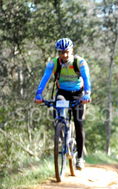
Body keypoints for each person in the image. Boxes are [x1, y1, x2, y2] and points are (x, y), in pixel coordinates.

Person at [34, 38, 91, 170]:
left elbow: (87, 78)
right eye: (61, 52)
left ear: (71, 51)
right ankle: (60, 132)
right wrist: (38, 94)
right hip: (63, 92)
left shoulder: (80, 62)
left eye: (66, 52)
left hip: (78, 94)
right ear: (58, 52)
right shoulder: (53, 63)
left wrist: (87, 93)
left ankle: (80, 157)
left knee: (78, 123)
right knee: (59, 106)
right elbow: (45, 78)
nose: (64, 55)